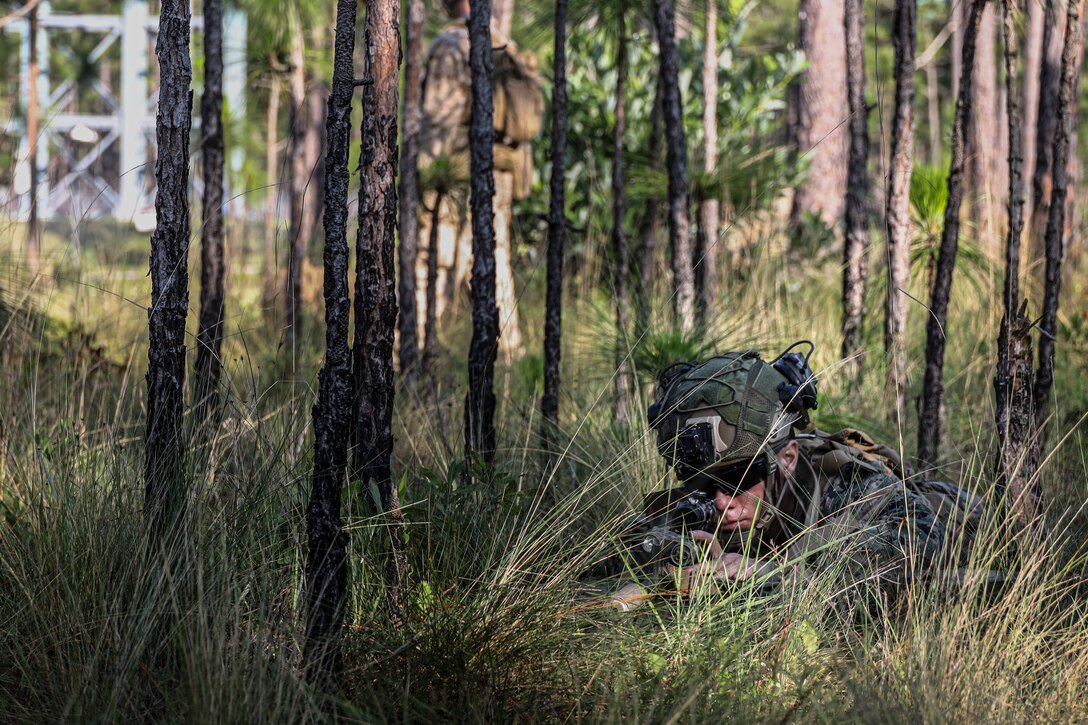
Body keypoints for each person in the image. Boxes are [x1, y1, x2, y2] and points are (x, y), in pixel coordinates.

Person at [612, 345, 986, 611]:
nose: (722, 502)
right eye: (703, 484)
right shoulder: (707, 501)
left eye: (739, 479)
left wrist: (777, 574)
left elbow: (917, 542)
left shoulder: (846, 481)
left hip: (973, 524)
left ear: (786, 459)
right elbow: (618, 551)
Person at [417, 0, 542, 361]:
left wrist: (427, 182)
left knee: (432, 260)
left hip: (456, 177)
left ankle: (404, 357)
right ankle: (508, 356)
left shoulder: (450, 46)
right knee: (494, 262)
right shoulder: (503, 43)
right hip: (498, 176)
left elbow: (437, 124)